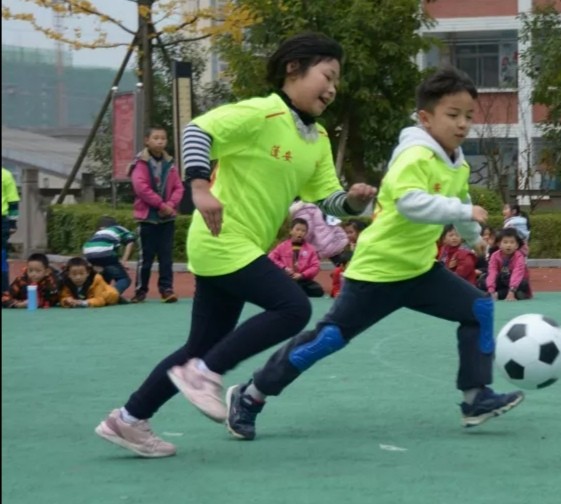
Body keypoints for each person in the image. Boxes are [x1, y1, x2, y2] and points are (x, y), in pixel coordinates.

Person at [94, 32, 377, 458]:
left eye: (337, 80)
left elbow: (325, 196)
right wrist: (200, 186)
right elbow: (196, 132)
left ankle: (129, 419)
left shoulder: (315, 138)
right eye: (327, 75)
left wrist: (352, 201)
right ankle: (206, 374)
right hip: (221, 239)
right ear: (293, 69)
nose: (333, 88)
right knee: (293, 308)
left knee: (199, 346)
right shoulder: (260, 113)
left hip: (242, 246)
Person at [218, 67, 523, 442]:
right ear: (425, 118)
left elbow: (460, 200)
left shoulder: (455, 160)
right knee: (328, 339)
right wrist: (462, 214)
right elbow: (412, 203)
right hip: (376, 274)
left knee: (479, 308)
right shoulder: (413, 155)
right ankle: (250, 396)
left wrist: (472, 235)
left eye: (469, 116)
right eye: (453, 115)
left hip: (418, 272)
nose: (463, 124)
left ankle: (476, 398)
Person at [129, 127, 185, 303]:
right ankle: (140, 290)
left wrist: (170, 205)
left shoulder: (170, 163)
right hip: (147, 218)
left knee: (166, 256)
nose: (160, 141)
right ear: (147, 140)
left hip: (167, 218)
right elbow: (141, 187)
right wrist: (160, 204)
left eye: (163, 138)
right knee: (145, 257)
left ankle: (167, 289)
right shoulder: (141, 163)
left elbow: (178, 187)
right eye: (156, 138)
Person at [268, 218, 324, 297]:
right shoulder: (282, 246)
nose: (300, 233)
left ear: (306, 233)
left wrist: (302, 275)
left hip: (302, 279)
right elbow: (271, 258)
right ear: (291, 231)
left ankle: (293, 290)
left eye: (303, 231)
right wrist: (284, 268)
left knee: (318, 291)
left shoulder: (310, 249)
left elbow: (315, 266)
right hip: (286, 278)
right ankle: (294, 290)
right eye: (297, 229)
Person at [82, 216, 136, 299]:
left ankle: (90, 293)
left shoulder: (98, 232)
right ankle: (110, 295)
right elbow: (130, 242)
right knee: (124, 279)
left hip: (88, 252)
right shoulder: (118, 228)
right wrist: (124, 261)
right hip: (106, 253)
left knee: (106, 275)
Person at [486, 228, 532, 301]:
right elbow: (492, 272)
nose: (508, 245)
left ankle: (500, 294)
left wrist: (512, 291)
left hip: (516, 283)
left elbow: (517, 273)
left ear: (517, 245)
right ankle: (494, 294)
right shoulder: (495, 256)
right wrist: (491, 289)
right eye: (505, 242)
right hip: (502, 280)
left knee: (523, 284)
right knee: (483, 280)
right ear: (499, 244)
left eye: (512, 242)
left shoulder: (519, 257)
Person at [1, 167, 20, 292]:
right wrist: (13, 223)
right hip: (2, 221)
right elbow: (13, 201)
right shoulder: (6, 175)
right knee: (1, 255)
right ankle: (4, 292)